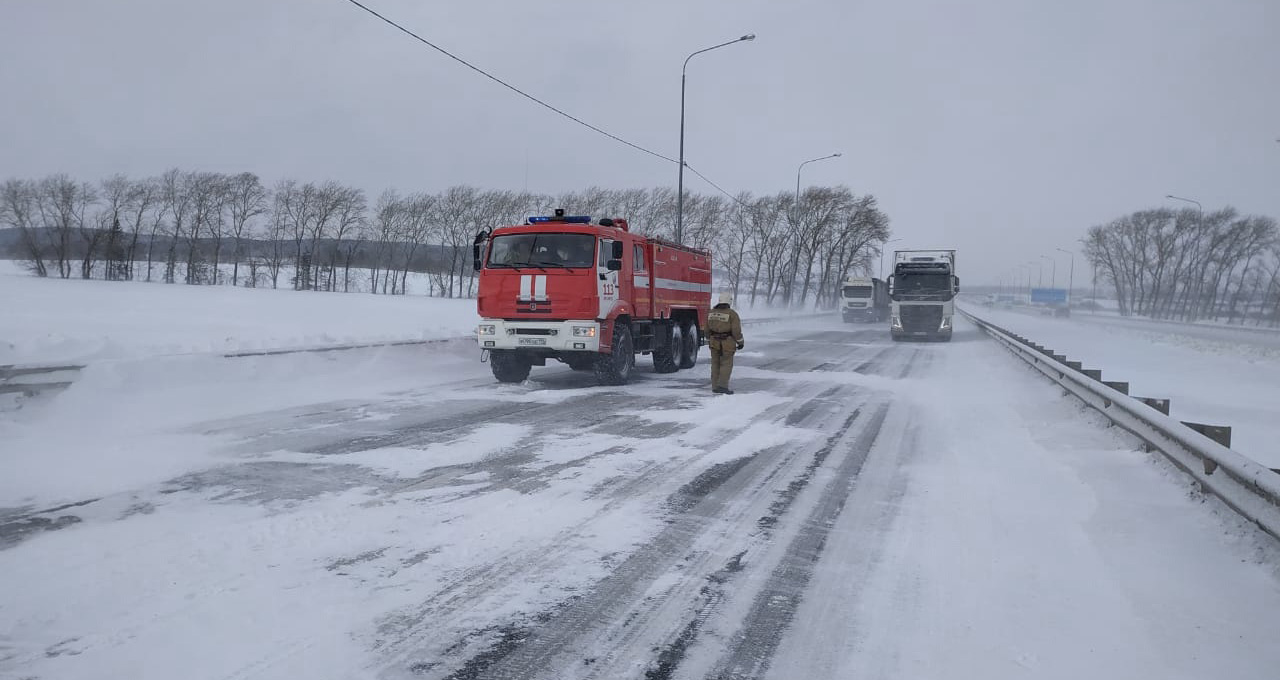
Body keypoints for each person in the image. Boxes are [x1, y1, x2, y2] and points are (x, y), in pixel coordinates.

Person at [706, 292, 744, 394]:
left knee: (715, 364)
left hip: (714, 342)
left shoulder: (711, 312)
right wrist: (740, 342)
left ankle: (715, 386)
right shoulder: (732, 314)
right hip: (727, 343)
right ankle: (722, 386)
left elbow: (706, 329)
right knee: (726, 364)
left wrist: (709, 340)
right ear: (729, 301)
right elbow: (736, 330)